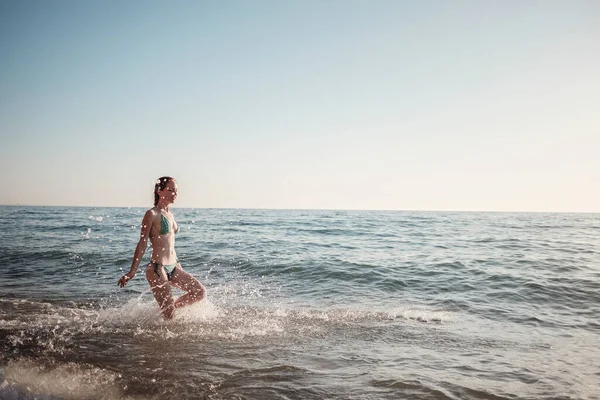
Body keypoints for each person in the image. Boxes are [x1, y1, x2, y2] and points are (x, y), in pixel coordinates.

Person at [118, 176, 206, 319]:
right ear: (159, 191)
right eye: (170, 190)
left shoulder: (170, 215)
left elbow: (170, 243)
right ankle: (165, 315)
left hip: (173, 267)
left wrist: (177, 264)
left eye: (176, 191)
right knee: (170, 317)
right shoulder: (151, 214)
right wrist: (131, 272)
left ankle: (165, 311)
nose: (175, 194)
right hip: (157, 269)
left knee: (199, 292)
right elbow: (142, 243)